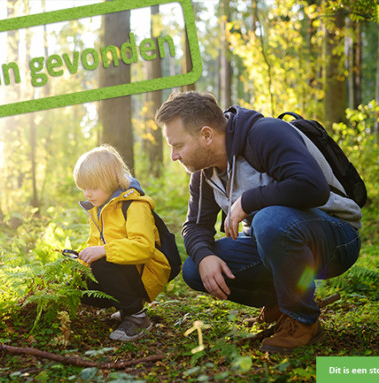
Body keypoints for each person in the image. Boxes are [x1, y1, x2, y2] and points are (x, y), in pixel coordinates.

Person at [154, 91, 362, 353]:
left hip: (336, 235)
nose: (173, 155)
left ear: (206, 135)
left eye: (178, 145)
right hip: (274, 240)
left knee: (268, 220)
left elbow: (313, 187)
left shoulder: (265, 134)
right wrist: (205, 255)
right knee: (195, 268)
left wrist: (248, 201)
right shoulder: (204, 173)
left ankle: (302, 320)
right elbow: (195, 227)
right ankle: (283, 301)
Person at [73, 145, 171, 341]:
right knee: (79, 285)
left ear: (110, 181)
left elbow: (143, 248)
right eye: (84, 188)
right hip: (126, 267)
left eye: (93, 187)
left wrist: (103, 251)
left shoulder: (135, 206)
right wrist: (79, 264)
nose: (87, 194)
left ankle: (137, 317)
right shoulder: (98, 209)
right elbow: (95, 243)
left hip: (147, 270)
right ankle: (127, 308)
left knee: (102, 263)